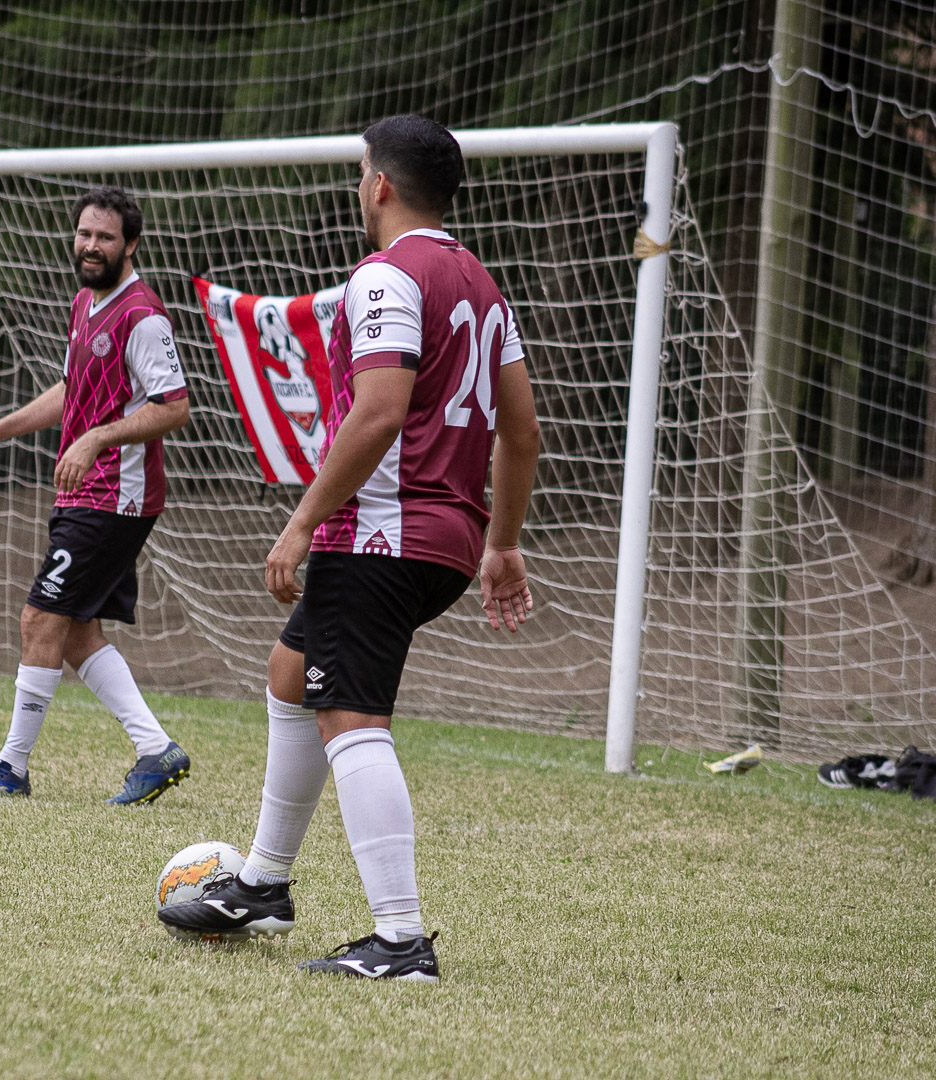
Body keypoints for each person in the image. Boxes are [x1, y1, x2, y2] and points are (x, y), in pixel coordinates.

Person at [158, 116, 541, 980]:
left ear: (380, 186)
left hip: (380, 534)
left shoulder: (384, 275)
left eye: (361, 172)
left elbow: (379, 411)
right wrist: (504, 543)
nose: (358, 186)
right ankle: (262, 883)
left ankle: (400, 942)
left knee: (352, 719)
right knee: (292, 672)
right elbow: (522, 431)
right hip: (446, 541)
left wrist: (301, 522)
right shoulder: (484, 288)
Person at [0, 186, 193, 806]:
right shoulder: (86, 302)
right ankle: (155, 750)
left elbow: (174, 407)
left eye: (105, 237)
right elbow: (71, 390)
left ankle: (11, 767)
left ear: (130, 245)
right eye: (84, 233)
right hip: (87, 493)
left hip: (115, 496)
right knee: (77, 631)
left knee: (40, 618)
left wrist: (97, 439)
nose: (91, 245)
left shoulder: (143, 315)